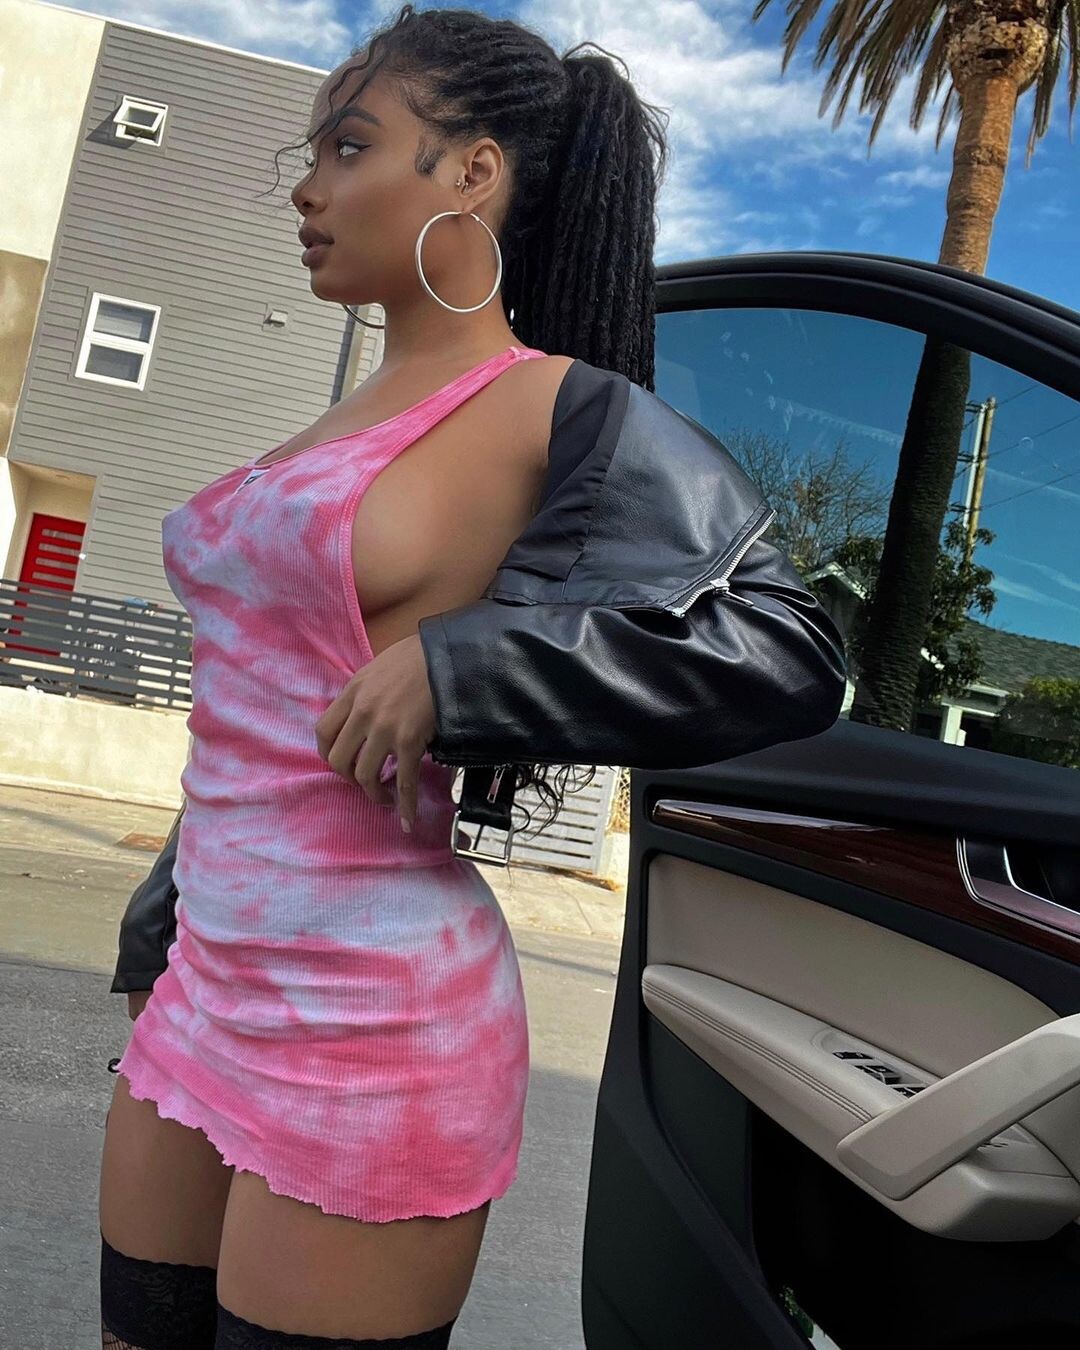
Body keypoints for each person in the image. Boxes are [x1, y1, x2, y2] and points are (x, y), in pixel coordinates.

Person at [99, 6, 846, 1349]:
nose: (308, 187)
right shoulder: (334, 418)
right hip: (204, 979)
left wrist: (470, 665)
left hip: (376, 1019)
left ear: (472, 173)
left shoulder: (553, 408)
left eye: (349, 145)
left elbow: (791, 649)